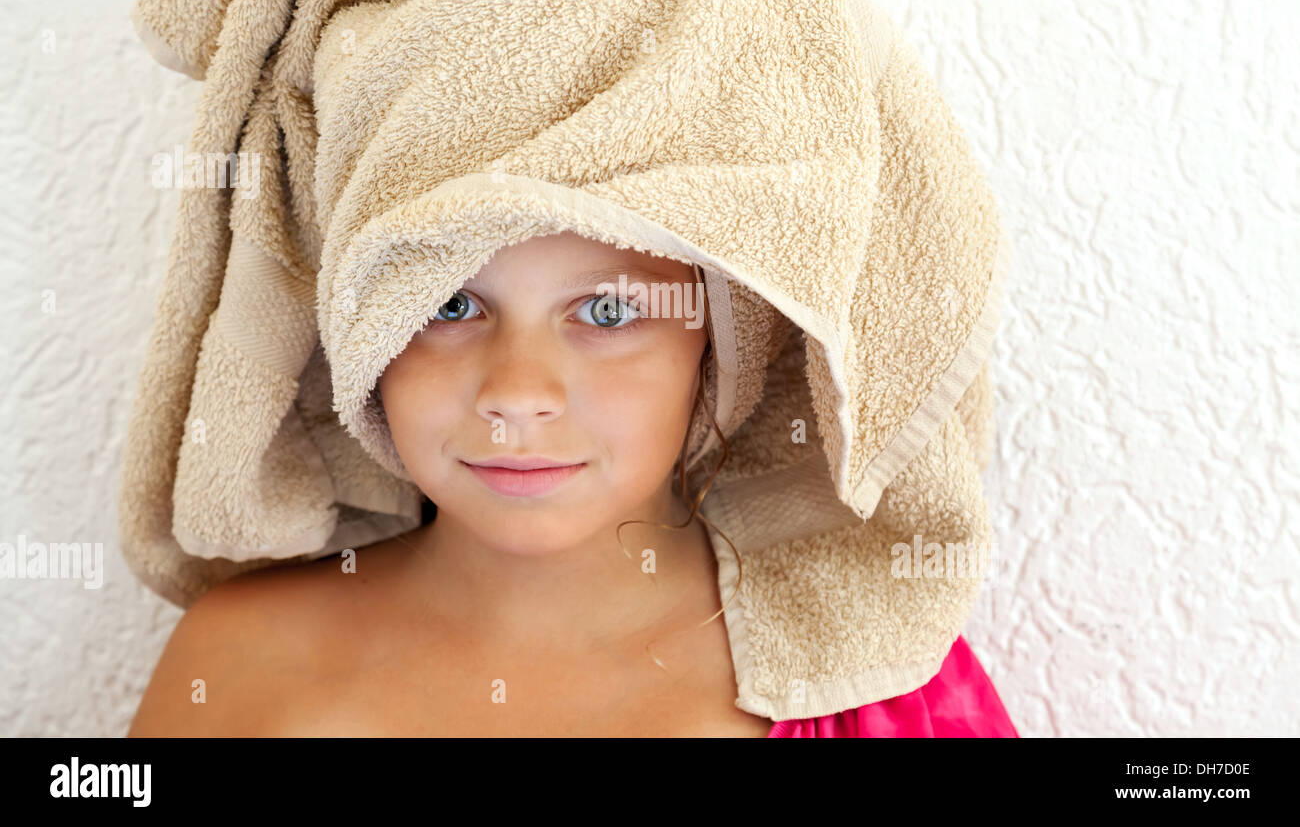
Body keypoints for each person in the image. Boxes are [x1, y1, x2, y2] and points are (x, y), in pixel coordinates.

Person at [128, 230, 1016, 737]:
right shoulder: (236, 664)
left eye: (607, 311)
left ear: (723, 344)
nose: (518, 392)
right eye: (449, 306)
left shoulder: (866, 673)